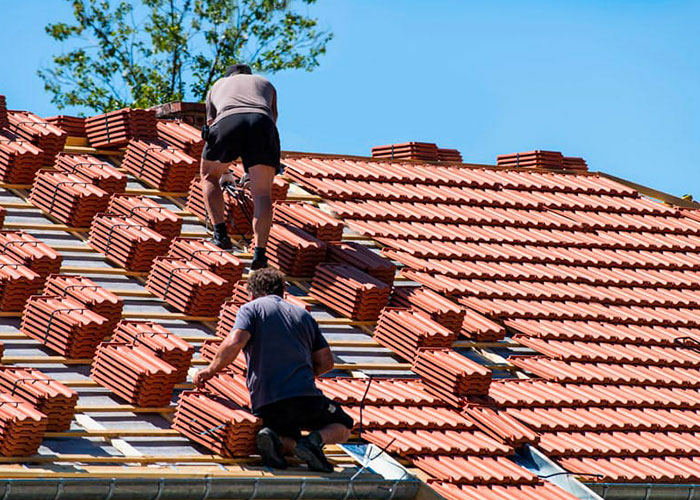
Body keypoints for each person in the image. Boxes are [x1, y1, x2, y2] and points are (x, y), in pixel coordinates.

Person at [193, 268, 353, 472]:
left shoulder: (250, 309)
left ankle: (275, 438)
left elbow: (235, 341)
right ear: (282, 291)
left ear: (251, 294)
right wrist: (302, 375)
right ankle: (313, 441)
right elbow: (326, 362)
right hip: (304, 397)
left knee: (286, 435)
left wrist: (210, 370)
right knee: (345, 425)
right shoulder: (303, 315)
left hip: (267, 402)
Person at [201, 63, 280, 270]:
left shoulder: (218, 85)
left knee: (209, 176)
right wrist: (249, 170)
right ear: (248, 75)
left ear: (230, 76)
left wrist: (224, 171)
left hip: (228, 121)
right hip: (262, 123)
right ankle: (260, 255)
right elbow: (273, 119)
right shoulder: (266, 83)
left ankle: (220, 235)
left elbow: (212, 124)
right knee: (262, 193)